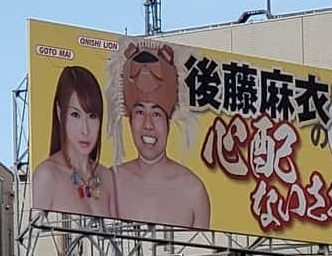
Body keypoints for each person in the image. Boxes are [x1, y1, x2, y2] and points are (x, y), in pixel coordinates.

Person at [110, 42, 211, 228]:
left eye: (156, 114)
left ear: (169, 120)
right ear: (129, 119)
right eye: (140, 112)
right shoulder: (110, 182)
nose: (148, 125)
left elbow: (210, 253)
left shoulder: (193, 189)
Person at [32, 65, 117, 217]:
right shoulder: (47, 175)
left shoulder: (106, 176)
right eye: (75, 115)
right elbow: (37, 236)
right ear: (60, 113)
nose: (85, 130)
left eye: (92, 116)